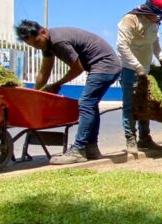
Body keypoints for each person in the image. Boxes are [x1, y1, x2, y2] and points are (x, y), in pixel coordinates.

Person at [16, 20, 122, 164]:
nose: (37, 46)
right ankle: (91, 148)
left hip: (105, 65)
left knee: (85, 103)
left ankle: (79, 150)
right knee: (91, 104)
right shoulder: (47, 43)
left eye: (37, 42)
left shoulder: (58, 42)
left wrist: (57, 84)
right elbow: (44, 71)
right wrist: (35, 94)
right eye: (33, 45)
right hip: (104, 66)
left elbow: (77, 68)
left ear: (43, 32)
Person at [116, 0, 162, 153]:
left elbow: (155, 41)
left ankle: (145, 139)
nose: (160, 19)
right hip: (129, 68)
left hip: (145, 68)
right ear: (150, 11)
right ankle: (130, 139)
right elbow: (122, 46)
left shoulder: (155, 22)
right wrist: (136, 67)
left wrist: (160, 57)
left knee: (145, 104)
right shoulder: (130, 20)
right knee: (130, 105)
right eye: (159, 16)